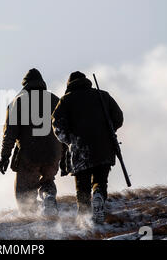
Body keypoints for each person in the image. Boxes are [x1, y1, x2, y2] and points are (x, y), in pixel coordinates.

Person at [52, 71, 124, 224]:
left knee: (82, 186)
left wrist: (69, 140)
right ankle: (98, 195)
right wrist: (107, 132)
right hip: (104, 147)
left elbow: (57, 125)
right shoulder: (102, 95)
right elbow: (118, 117)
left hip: (79, 149)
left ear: (69, 85)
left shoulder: (66, 100)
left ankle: (84, 219)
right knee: (100, 180)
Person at [0, 68, 63, 216]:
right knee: (48, 181)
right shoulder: (55, 100)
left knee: (24, 193)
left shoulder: (18, 101)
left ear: (25, 85)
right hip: (53, 153)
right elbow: (64, 131)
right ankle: (49, 197)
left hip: (29, 154)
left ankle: (31, 219)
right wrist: (65, 159)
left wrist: (5, 157)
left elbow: (10, 134)